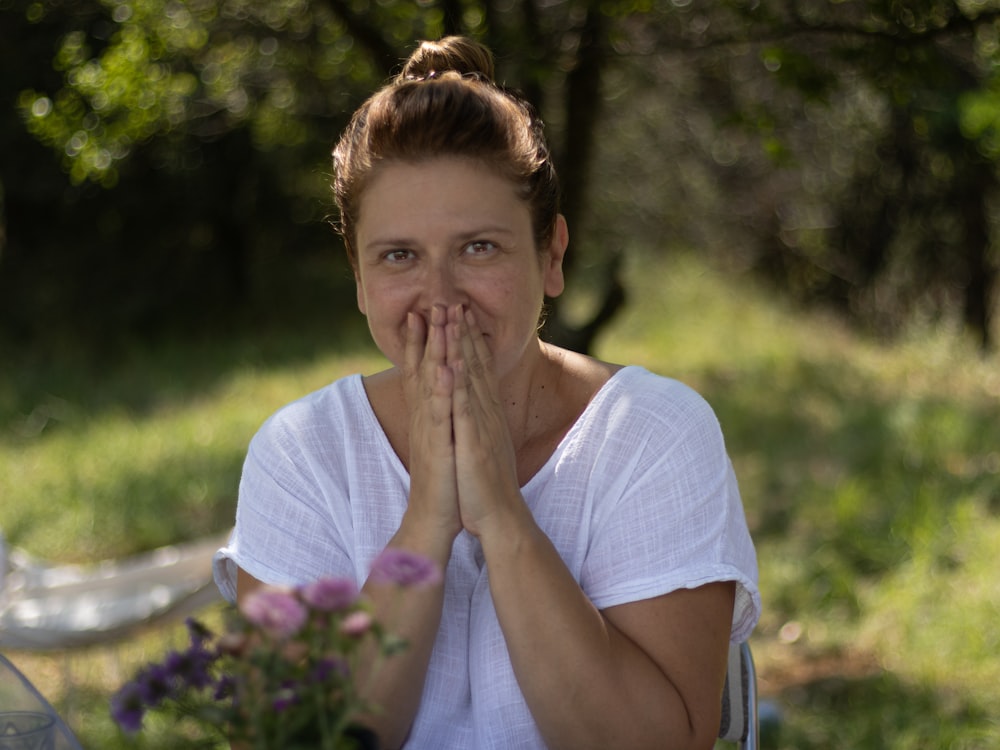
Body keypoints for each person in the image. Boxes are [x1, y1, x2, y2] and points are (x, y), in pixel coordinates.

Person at [213, 35, 760, 750]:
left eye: (479, 248)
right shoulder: (302, 453)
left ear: (552, 255)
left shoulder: (654, 434)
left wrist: (502, 516)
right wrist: (425, 524)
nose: (440, 297)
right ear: (357, 278)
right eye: (399, 256)